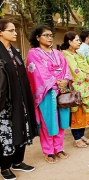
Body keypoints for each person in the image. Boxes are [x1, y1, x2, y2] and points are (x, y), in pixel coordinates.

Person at [27, 25, 71, 164]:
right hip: (47, 92)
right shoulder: (34, 53)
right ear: (37, 37)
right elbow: (39, 72)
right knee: (48, 122)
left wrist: (65, 81)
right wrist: (56, 82)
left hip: (62, 90)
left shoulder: (58, 53)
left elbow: (65, 68)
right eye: (46, 35)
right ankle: (48, 151)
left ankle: (59, 148)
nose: (49, 38)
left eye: (51, 35)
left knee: (61, 121)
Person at [0, 19, 37, 180]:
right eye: (11, 30)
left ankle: (18, 161)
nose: (15, 33)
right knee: (6, 133)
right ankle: (5, 167)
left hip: (20, 98)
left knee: (22, 128)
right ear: (1, 32)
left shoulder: (15, 51)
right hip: (4, 102)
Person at [61, 31, 89, 148]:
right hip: (77, 87)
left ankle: (81, 135)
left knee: (85, 112)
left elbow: (86, 66)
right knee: (77, 113)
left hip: (86, 86)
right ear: (69, 42)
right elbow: (74, 70)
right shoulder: (66, 54)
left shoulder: (79, 54)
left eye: (79, 40)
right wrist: (86, 76)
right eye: (76, 40)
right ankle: (76, 138)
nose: (79, 42)